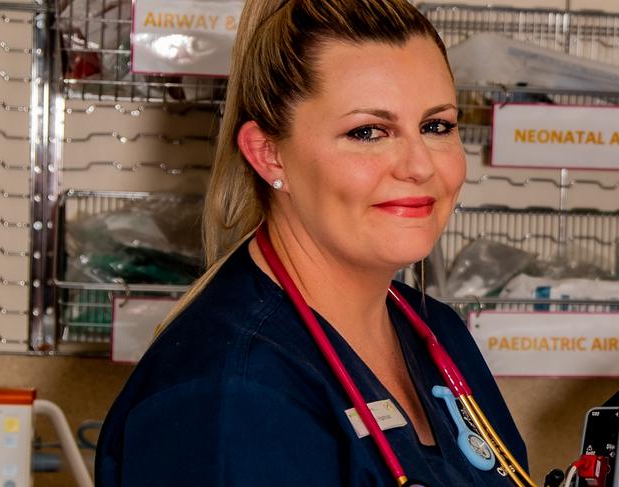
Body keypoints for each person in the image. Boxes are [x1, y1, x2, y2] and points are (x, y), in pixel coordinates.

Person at [95, 0, 529, 485]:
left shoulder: (438, 334)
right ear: (269, 155)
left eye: (436, 126)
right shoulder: (231, 397)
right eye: (368, 132)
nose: (420, 166)